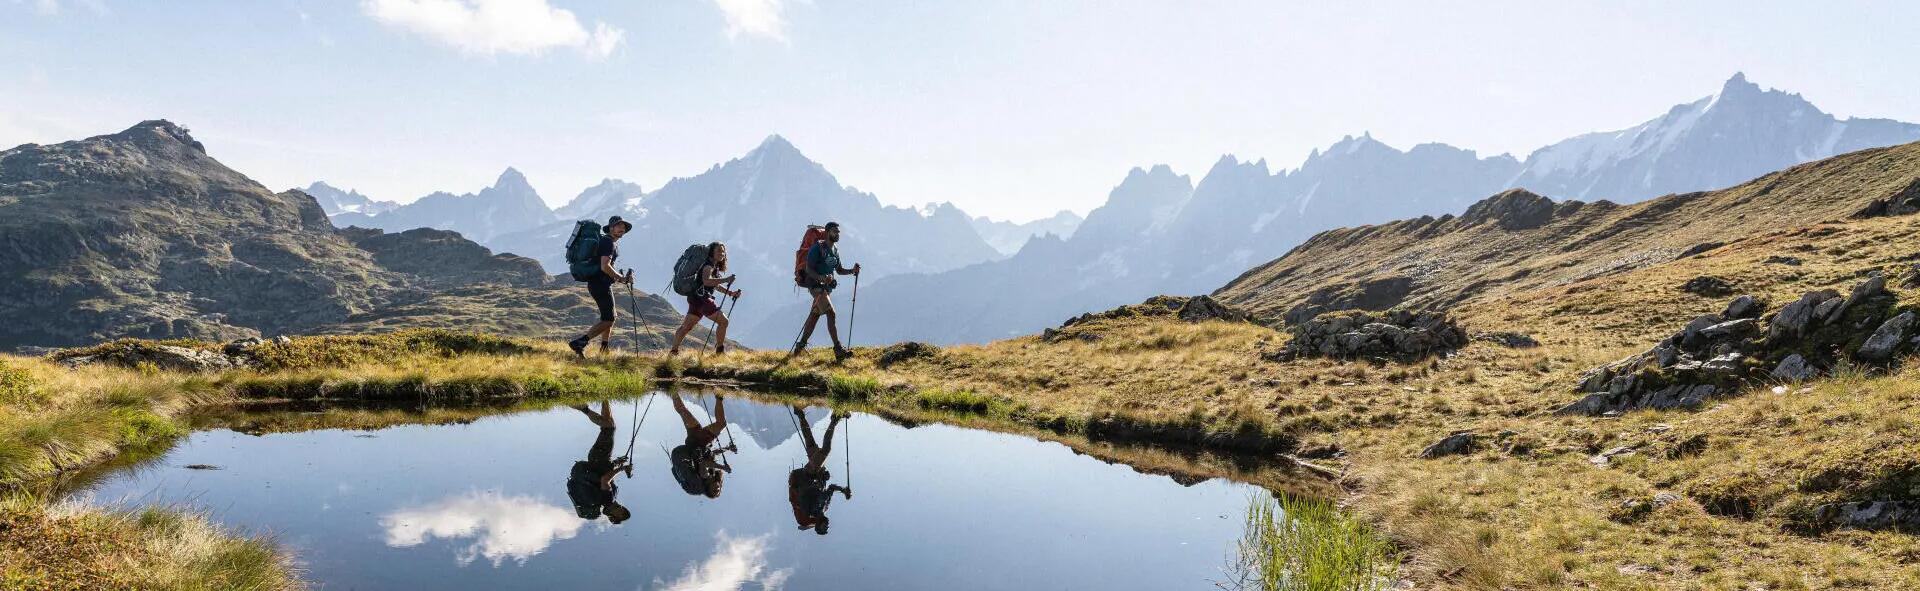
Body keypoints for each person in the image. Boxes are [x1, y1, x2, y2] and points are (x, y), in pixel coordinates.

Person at [793, 222, 861, 361]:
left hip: (827, 288)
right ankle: (838, 350)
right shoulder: (817, 248)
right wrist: (822, 278)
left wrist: (852, 271)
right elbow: (808, 269)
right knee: (831, 313)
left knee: (814, 316)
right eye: (835, 231)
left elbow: (839, 270)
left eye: (839, 232)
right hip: (816, 287)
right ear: (827, 232)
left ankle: (800, 347)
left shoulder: (835, 250)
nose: (838, 234)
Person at [569, 216, 634, 358]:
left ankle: (604, 348)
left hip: (600, 283)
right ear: (611, 228)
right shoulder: (608, 242)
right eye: (618, 226)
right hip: (600, 284)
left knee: (611, 317)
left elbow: (606, 265)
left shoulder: (608, 242)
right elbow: (605, 266)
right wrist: (621, 278)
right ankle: (580, 342)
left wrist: (617, 276)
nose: (622, 228)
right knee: (608, 319)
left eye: (624, 227)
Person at [669, 242, 743, 356]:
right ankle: (720, 352)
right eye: (718, 250)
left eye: (723, 251)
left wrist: (730, 293)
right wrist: (726, 279)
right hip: (703, 300)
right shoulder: (708, 266)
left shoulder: (712, 265)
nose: (722, 253)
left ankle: (673, 352)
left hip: (695, 298)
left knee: (686, 327)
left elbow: (714, 285)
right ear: (712, 252)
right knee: (724, 322)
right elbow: (707, 281)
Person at [566, 401, 633, 524]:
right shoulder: (609, 499)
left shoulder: (608, 499)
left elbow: (604, 479)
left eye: (621, 514)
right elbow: (606, 472)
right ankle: (604, 397)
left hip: (599, 458)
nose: (622, 509)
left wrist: (622, 469)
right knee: (609, 423)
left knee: (609, 427)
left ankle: (584, 409)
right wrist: (618, 463)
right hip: (599, 459)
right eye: (624, 511)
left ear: (613, 516)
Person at [787, 406, 850, 535]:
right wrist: (840, 489)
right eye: (827, 528)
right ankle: (799, 413)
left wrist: (843, 490)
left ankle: (835, 418)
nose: (828, 525)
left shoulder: (813, 509)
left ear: (818, 525)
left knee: (826, 449)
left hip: (809, 473)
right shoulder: (823, 508)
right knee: (810, 442)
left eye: (824, 527)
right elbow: (830, 488)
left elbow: (807, 493)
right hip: (811, 474)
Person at [667, 393, 734, 498]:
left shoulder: (704, 477)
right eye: (718, 491)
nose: (717, 489)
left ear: (708, 488)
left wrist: (722, 467)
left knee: (721, 424)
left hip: (696, 443)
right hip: (691, 445)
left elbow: (703, 463)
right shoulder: (708, 475)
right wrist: (727, 448)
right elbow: (712, 453)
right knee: (683, 411)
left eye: (713, 491)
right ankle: (672, 389)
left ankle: (719, 394)